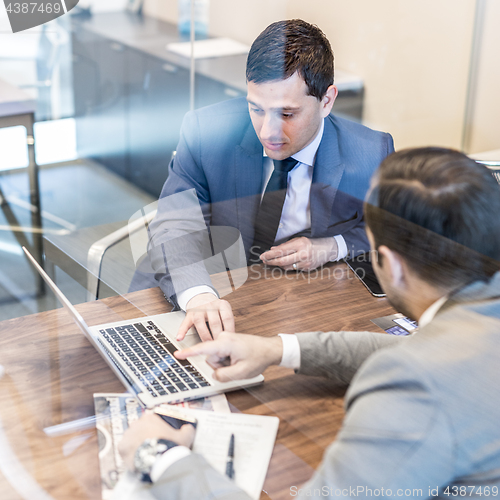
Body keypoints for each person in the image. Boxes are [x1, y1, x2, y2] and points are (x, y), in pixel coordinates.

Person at [120, 147, 500, 498]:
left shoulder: (417, 385)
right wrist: (276, 349)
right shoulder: (467, 332)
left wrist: (161, 458)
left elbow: (416, 368)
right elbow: (414, 351)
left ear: (393, 266)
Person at [137, 19, 394, 341]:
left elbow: (386, 229)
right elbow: (174, 223)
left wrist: (331, 247)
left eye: (287, 114)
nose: (268, 132)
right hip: (208, 284)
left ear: (327, 101)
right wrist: (198, 294)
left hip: (305, 302)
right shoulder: (206, 132)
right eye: (256, 109)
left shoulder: (370, 151)